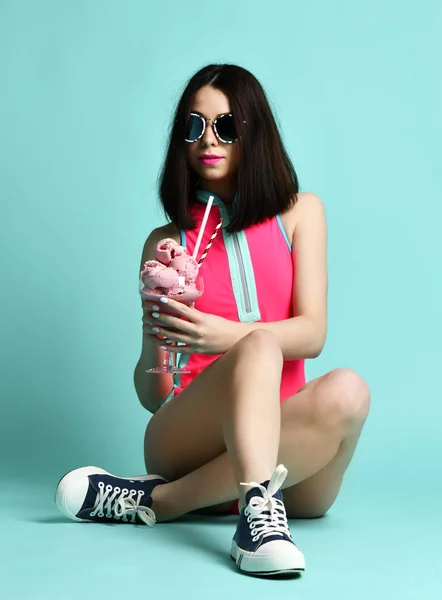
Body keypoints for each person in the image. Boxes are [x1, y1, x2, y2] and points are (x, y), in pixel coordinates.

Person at [55, 64, 371, 577]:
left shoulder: (301, 213)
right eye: (194, 126)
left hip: (291, 468)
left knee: (350, 390)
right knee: (262, 345)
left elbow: (313, 333)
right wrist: (153, 330)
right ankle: (254, 518)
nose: (208, 140)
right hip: (185, 441)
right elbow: (153, 394)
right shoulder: (166, 241)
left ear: (253, 134)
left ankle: (162, 502)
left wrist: (224, 335)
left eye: (226, 127)